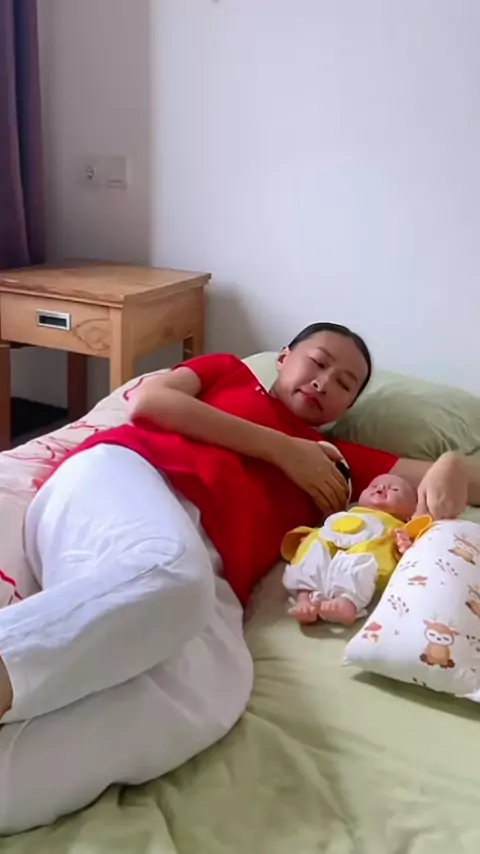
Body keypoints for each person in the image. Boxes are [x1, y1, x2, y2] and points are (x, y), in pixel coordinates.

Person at [0, 322, 472, 833]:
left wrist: (450, 463)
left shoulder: (340, 464)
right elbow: (150, 403)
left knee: (210, 692)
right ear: (284, 357)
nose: (324, 382)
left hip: (213, 569)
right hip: (127, 481)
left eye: (344, 384)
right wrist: (283, 449)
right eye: (318, 362)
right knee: (167, 575)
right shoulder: (229, 373)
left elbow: (452, 478)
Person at [282, 472, 431, 626]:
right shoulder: (349, 512)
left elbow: (411, 557)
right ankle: (304, 599)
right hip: (331, 544)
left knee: (363, 563)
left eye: (394, 489)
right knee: (314, 551)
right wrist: (310, 536)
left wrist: (404, 547)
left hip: (364, 553)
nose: (380, 488)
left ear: (410, 513)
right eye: (373, 486)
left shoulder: (398, 526)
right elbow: (326, 527)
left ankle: (347, 602)